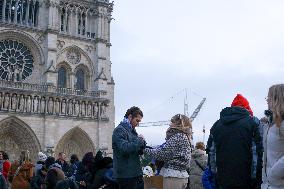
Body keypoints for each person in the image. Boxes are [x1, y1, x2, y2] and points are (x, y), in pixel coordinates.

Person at [207, 94, 262, 189]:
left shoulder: (216, 125)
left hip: (222, 181)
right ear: (247, 108)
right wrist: (255, 178)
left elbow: (211, 153)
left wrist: (215, 175)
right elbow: (256, 154)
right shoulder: (252, 123)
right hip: (246, 180)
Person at [144, 114, 192, 189]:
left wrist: (144, 150)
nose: (170, 124)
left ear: (179, 123)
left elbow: (162, 154)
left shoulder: (178, 136)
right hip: (180, 176)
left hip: (173, 176)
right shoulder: (184, 136)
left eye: (173, 121)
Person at [112, 106, 146, 189]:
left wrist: (143, 144)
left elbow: (136, 148)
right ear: (130, 117)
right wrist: (139, 140)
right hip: (126, 175)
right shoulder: (119, 130)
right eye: (137, 120)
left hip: (135, 173)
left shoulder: (132, 130)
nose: (138, 124)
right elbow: (124, 148)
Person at [262, 84, 284, 189]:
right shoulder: (270, 124)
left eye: (269, 98)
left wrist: (274, 173)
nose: (267, 101)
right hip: (269, 185)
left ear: (277, 98)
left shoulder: (282, 124)